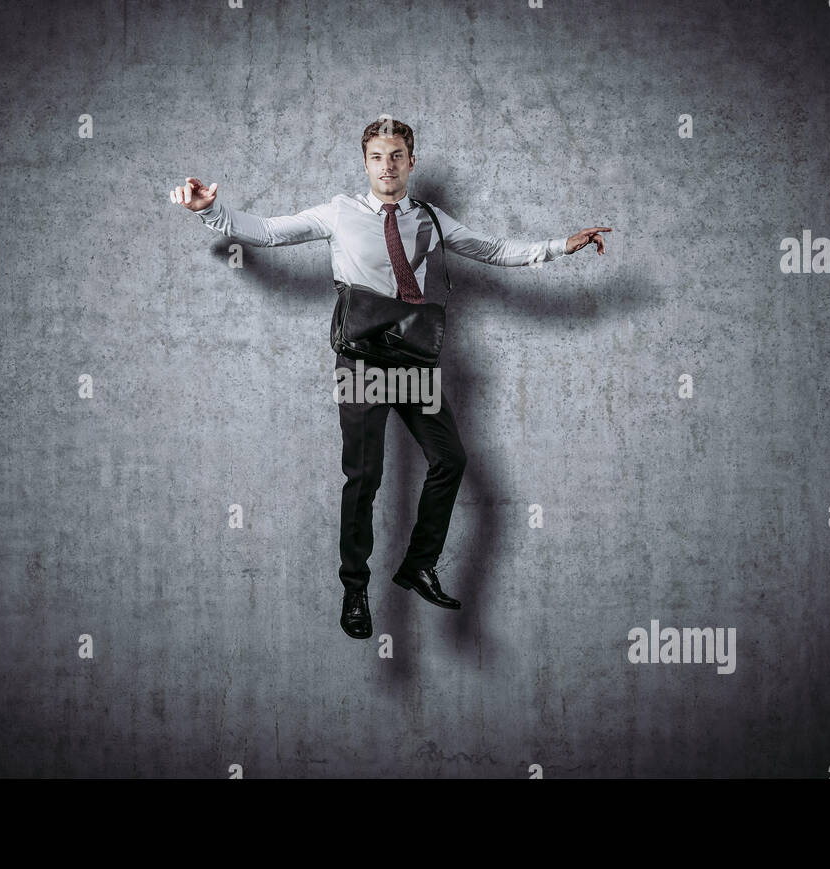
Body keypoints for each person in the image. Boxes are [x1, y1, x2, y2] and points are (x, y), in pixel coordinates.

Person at [173, 116, 611, 640]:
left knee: (450, 460)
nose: (387, 165)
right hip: (362, 361)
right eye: (378, 156)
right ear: (365, 162)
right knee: (364, 478)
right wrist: (212, 213)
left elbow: (493, 250)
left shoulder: (428, 216)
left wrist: (562, 245)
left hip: (414, 359)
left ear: (411, 161)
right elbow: (268, 231)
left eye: (397, 155)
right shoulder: (340, 211)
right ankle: (355, 588)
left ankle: (417, 565)